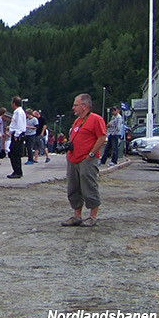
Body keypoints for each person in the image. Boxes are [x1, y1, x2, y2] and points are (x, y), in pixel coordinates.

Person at [61, 93, 106, 228]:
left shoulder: (96, 119)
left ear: (84, 106)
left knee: (89, 186)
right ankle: (77, 215)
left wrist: (91, 154)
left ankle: (92, 216)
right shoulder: (77, 121)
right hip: (73, 158)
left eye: (76, 105)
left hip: (86, 159)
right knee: (73, 188)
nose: (73, 108)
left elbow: (102, 137)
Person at [7, 97, 27, 179]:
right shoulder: (20, 112)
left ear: (14, 103)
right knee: (14, 153)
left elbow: (19, 124)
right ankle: (17, 171)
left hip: (17, 135)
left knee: (14, 154)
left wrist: (16, 135)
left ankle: (17, 171)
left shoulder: (18, 112)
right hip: (18, 134)